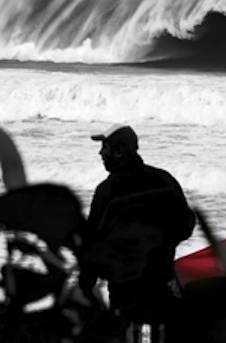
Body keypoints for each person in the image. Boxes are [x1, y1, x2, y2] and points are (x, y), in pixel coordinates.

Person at [79, 124, 195, 340]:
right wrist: (162, 247)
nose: (101, 153)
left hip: (124, 289)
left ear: (120, 151)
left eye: (105, 147)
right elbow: (185, 226)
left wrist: (86, 285)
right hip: (161, 281)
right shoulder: (165, 181)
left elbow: (93, 244)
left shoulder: (108, 191)